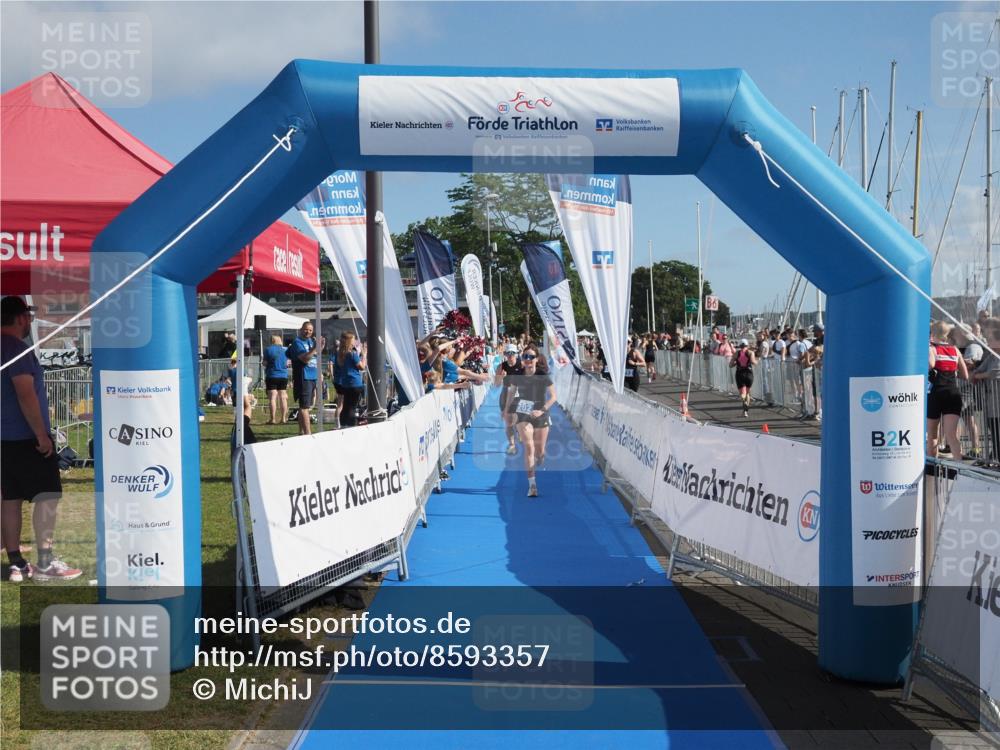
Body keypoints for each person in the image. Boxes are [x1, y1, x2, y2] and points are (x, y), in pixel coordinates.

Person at [1, 296, 82, 582]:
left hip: (4, 441)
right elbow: (26, 394)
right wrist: (41, 435)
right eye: (30, 316)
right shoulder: (17, 349)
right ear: (21, 318)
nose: (31, 321)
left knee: (10, 500)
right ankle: (45, 562)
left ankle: (16, 564)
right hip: (26, 438)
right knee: (47, 497)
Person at [504, 347, 557, 498]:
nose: (527, 359)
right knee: (529, 447)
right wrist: (507, 411)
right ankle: (532, 485)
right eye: (525, 356)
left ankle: (541, 457)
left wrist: (542, 410)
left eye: (531, 356)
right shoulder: (518, 374)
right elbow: (511, 392)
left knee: (539, 452)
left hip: (540, 412)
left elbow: (553, 396)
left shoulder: (543, 375)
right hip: (523, 412)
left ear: (536, 359)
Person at [927, 321, 968, 460]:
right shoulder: (955, 350)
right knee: (951, 434)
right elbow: (965, 375)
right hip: (953, 393)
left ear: (932, 333)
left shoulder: (932, 348)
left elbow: (931, 364)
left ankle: (932, 464)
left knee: (932, 434)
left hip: (936, 393)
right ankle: (960, 467)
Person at [287, 322, 323, 436]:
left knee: (306, 405)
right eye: (306, 329)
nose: (308, 332)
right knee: (304, 407)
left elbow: (315, 356)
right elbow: (305, 359)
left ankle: (301, 432)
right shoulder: (297, 343)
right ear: (301, 329)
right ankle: (308, 433)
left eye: (311, 330)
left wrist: (320, 348)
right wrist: (314, 348)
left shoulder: (310, 341)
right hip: (304, 376)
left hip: (312, 376)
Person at [494, 343, 523, 455]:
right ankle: (512, 445)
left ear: (516, 353)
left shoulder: (522, 365)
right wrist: (501, 377)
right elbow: (496, 385)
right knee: (508, 422)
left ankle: (519, 430)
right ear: (505, 354)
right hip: (506, 393)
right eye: (508, 353)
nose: (510, 356)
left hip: (520, 394)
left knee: (519, 421)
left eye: (512, 353)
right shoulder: (501, 367)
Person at [333, 332, 366, 428]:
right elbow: (362, 367)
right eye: (354, 339)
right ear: (349, 341)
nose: (355, 341)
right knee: (352, 407)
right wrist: (364, 355)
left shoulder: (339, 354)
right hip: (355, 383)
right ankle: (351, 426)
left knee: (346, 407)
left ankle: (343, 425)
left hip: (345, 384)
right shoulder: (352, 354)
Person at [263, 335, 289, 425]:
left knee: (272, 398)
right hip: (283, 375)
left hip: (272, 375)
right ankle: (283, 418)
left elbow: (265, 363)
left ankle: (273, 419)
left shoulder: (268, 349)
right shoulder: (285, 350)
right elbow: (288, 363)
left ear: (272, 340)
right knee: (283, 397)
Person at [730, 338, 757, 417]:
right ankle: (745, 412)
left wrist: (736, 363)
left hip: (739, 373)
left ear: (740, 346)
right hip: (749, 373)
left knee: (743, 393)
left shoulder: (736, 353)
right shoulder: (750, 352)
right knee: (748, 393)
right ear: (747, 345)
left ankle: (744, 402)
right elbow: (753, 362)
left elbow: (730, 365)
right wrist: (757, 361)